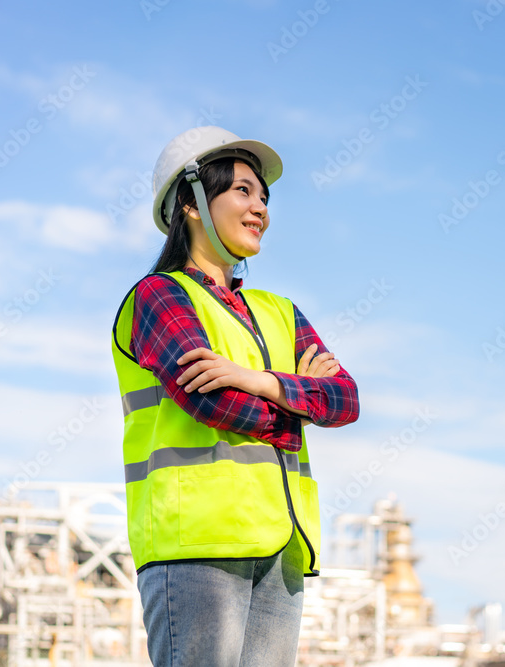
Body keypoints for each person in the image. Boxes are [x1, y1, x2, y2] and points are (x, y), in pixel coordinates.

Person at [110, 126, 359, 666]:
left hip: (282, 547)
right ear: (191, 204)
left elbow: (345, 400)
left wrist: (257, 380)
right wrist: (298, 404)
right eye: (243, 191)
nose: (260, 207)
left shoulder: (280, 311)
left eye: (264, 196)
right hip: (198, 544)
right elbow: (212, 402)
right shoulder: (161, 296)